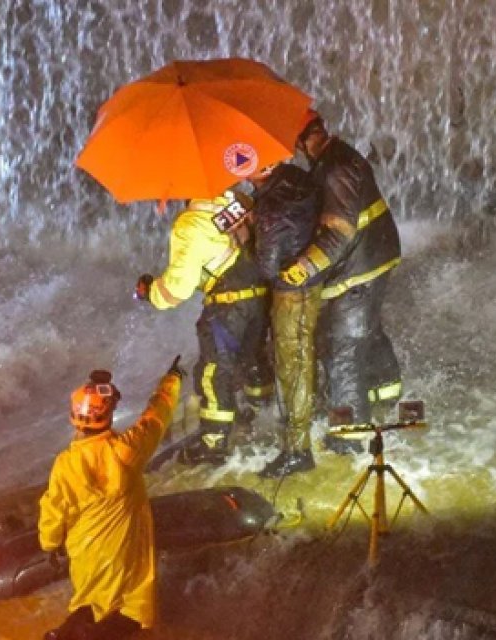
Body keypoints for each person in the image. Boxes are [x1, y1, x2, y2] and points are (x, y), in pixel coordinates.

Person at [279, 111, 403, 452]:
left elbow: (339, 232)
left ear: (304, 139)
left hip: (361, 264)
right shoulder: (335, 158)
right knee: (365, 327)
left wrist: (303, 267)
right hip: (373, 255)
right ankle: (385, 393)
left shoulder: (335, 170)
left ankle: (350, 435)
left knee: (341, 346)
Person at [39, 359, 184, 640]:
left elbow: (53, 509)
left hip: (85, 552)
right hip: (122, 550)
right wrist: (172, 379)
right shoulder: (126, 451)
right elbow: (156, 416)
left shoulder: (65, 464)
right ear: (108, 415)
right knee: (129, 608)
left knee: (89, 604)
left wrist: (50, 542)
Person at [136, 192, 273, 466]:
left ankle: (214, 443)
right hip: (260, 296)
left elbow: (178, 287)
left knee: (213, 372)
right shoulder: (237, 199)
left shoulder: (191, 223)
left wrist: (150, 292)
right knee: (253, 356)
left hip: (228, 306)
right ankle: (265, 413)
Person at [247, 161, 323, 478]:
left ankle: (297, 451)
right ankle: (303, 425)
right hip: (311, 284)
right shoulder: (297, 179)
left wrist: (248, 233)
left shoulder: (270, 208)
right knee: (301, 361)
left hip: (290, 293)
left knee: (293, 367)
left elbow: (265, 268)